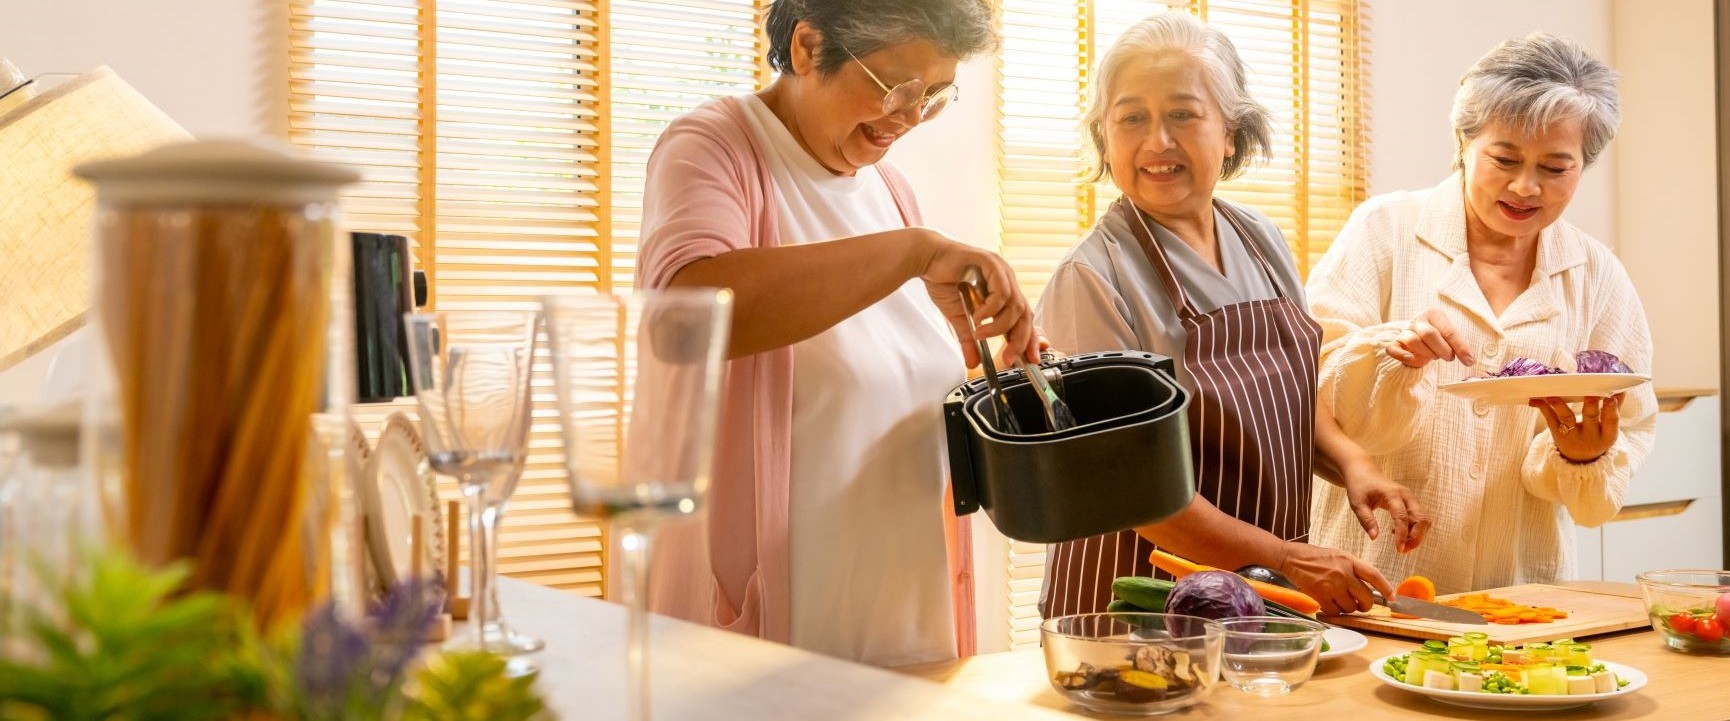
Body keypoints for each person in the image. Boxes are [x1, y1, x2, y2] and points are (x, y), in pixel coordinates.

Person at [635, 0, 1040, 666]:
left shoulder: (890, 191)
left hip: (907, 627)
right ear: (805, 47)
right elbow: (683, 317)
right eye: (894, 87)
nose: (910, 117)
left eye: (934, 96)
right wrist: (912, 252)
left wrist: (992, 371)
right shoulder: (713, 147)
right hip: (781, 646)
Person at [1035, 12, 1428, 618]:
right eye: (1131, 117)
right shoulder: (1092, 279)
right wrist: (1290, 559)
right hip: (1138, 603)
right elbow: (1135, 494)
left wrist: (1354, 464)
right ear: (1104, 137)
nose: (1156, 142)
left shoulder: (1259, 237)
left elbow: (1289, 397)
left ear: (1231, 132)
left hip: (1257, 589)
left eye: (1183, 114)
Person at [1305, 33, 1656, 595]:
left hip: (1522, 589)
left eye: (1556, 167)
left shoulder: (1596, 273)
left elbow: (1630, 421)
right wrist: (1388, 355)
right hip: (1371, 576)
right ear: (1464, 142)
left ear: (1582, 167)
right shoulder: (1385, 229)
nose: (1525, 186)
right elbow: (1308, 385)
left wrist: (1581, 457)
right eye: (1505, 159)